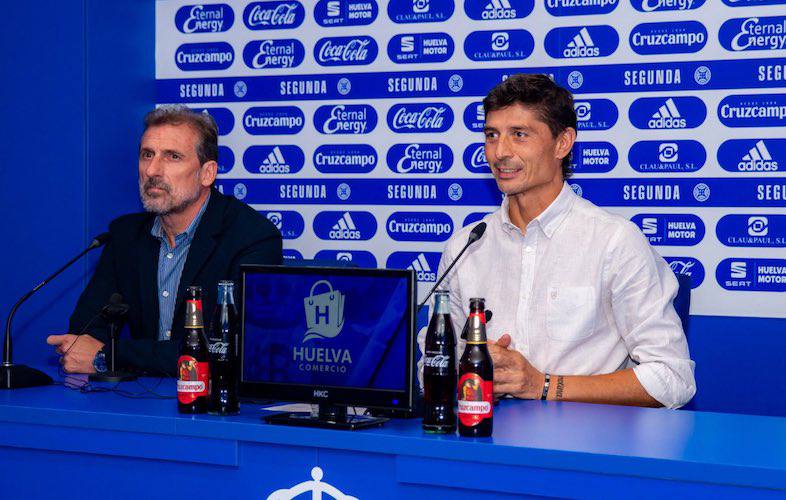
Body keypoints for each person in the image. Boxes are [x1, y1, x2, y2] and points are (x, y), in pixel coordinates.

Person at [433, 74, 695, 409]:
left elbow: (672, 379)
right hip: (482, 442)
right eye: (491, 135)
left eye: (519, 135)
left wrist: (540, 385)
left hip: (586, 449)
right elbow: (429, 365)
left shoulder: (614, 242)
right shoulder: (465, 247)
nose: (499, 152)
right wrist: (471, 366)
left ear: (563, 143)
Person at [46, 105, 282, 375]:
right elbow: (85, 334)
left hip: (211, 410)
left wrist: (109, 356)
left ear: (208, 173)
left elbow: (227, 350)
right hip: (139, 406)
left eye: (172, 156)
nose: (152, 170)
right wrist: (96, 351)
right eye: (147, 155)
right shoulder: (125, 236)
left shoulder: (251, 238)